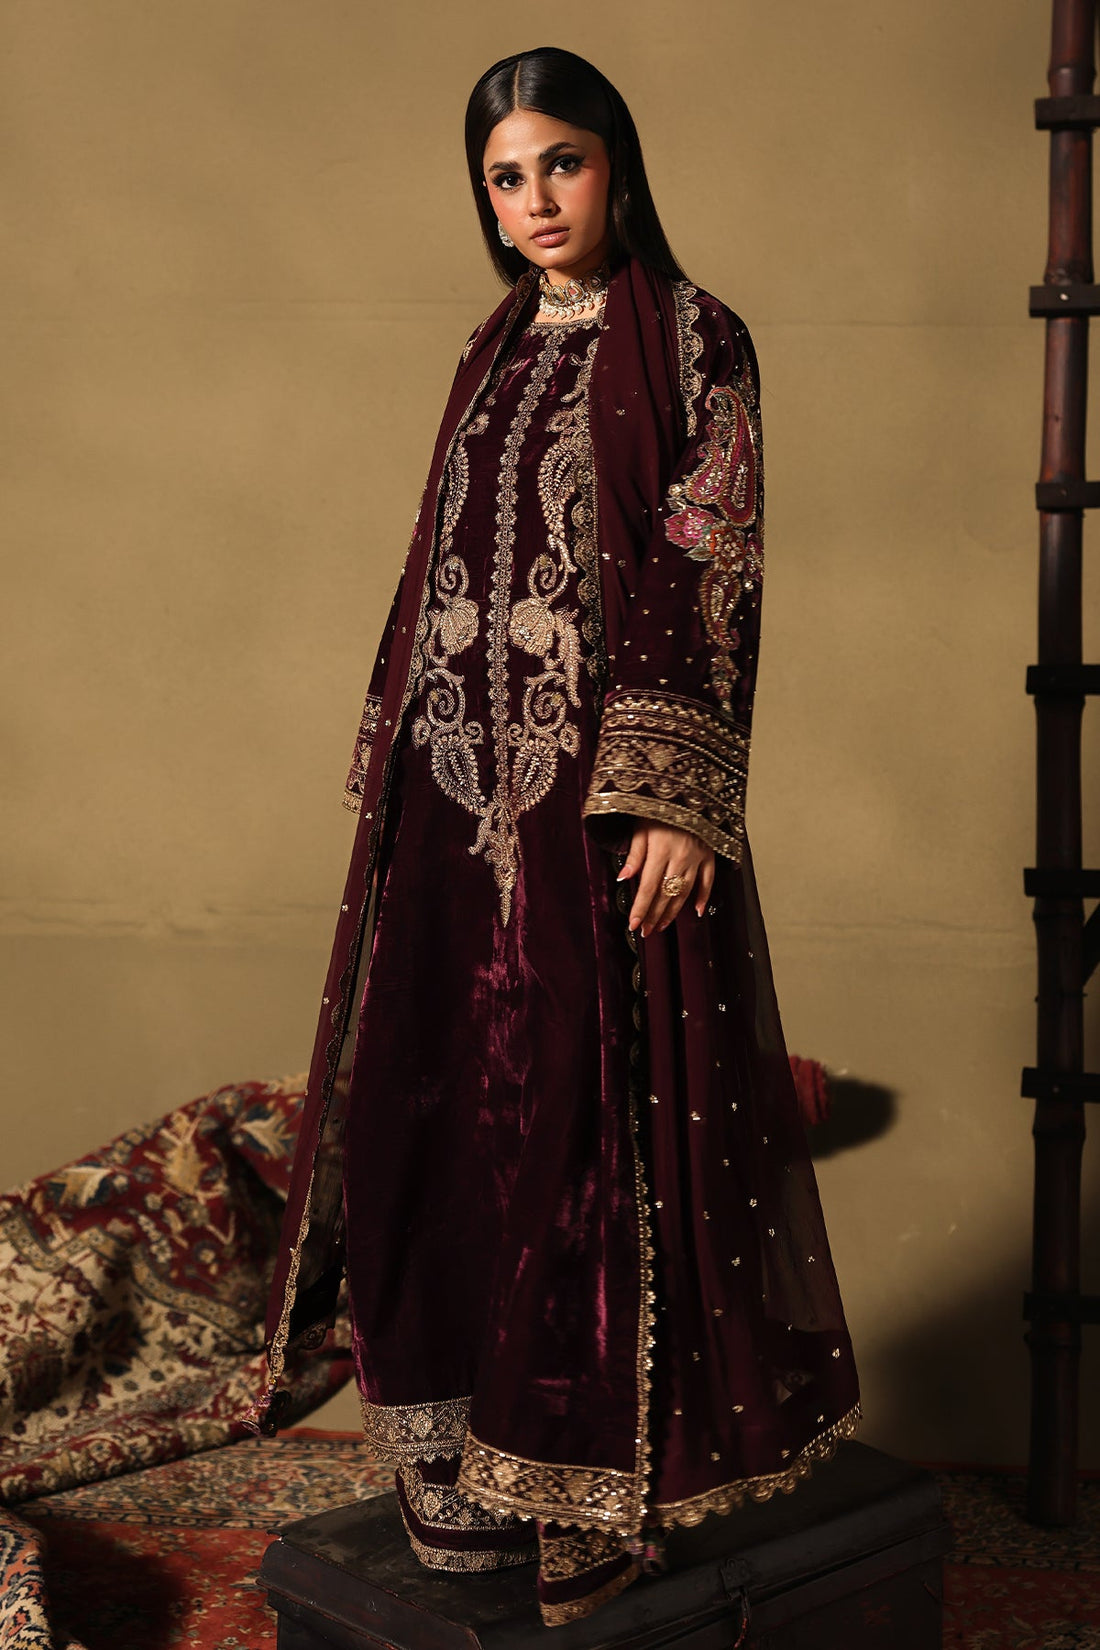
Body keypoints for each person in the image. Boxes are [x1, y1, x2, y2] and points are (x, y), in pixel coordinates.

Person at [258, 45, 861, 1628]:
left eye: (562, 165)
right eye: (505, 177)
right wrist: (395, 766)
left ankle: (590, 1482)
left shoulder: (696, 338)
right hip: (458, 803)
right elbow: (435, 561)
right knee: (443, 1111)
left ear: (620, 165)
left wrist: (677, 792)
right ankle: (463, 1467)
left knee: (587, 1128)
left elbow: (711, 559)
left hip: (598, 803)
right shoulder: (492, 348)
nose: (535, 202)